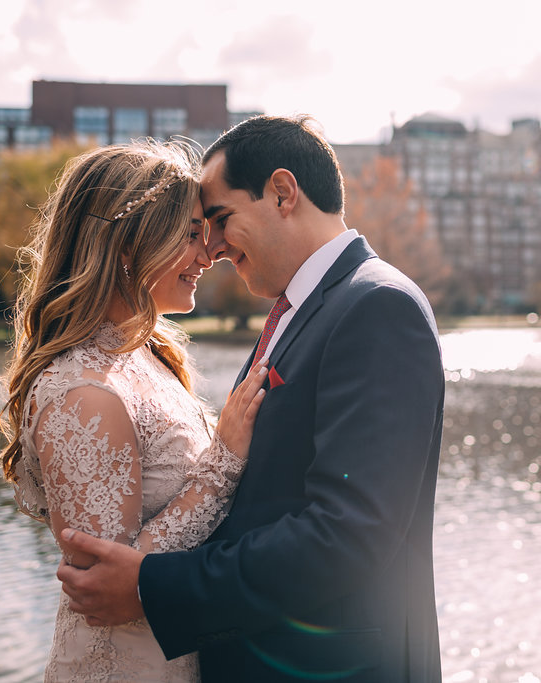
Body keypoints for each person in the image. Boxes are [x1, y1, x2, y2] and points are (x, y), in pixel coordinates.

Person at [58, 115, 446, 681]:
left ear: (283, 193)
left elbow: (347, 533)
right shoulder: (301, 310)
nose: (209, 248)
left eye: (219, 219)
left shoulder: (377, 306)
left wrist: (152, 587)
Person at [0, 139, 267, 681]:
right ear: (128, 246)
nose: (209, 252)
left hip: (177, 650)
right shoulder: (82, 395)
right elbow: (107, 583)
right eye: (191, 234)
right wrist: (226, 459)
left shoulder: (148, 354)